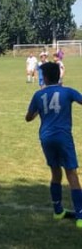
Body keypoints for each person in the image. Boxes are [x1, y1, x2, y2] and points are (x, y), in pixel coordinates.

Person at [26, 61, 82, 226]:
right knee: (71, 174)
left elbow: (28, 118)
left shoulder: (38, 95)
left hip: (46, 138)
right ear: (58, 76)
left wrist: (40, 111)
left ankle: (58, 211)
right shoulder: (67, 91)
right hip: (63, 137)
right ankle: (80, 216)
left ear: (45, 78)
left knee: (55, 173)